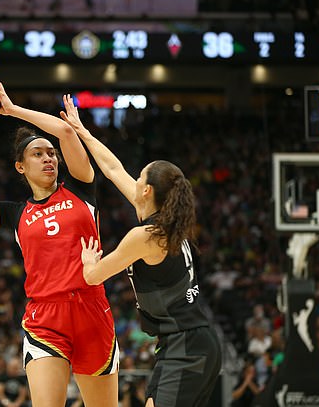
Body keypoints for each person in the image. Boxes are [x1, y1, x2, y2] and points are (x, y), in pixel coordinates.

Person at [0, 77, 119, 407]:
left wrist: (10, 109)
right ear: (20, 166)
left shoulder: (81, 189)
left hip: (92, 308)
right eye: (38, 154)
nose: (49, 158)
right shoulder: (14, 213)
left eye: (51, 154)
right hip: (45, 317)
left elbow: (66, 132)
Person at [62, 94, 222, 407]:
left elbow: (94, 277)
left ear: (146, 190)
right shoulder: (165, 226)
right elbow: (112, 167)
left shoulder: (145, 236)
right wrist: (82, 131)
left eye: (139, 177)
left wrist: (88, 261)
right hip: (189, 343)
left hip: (186, 346)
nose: (133, 179)